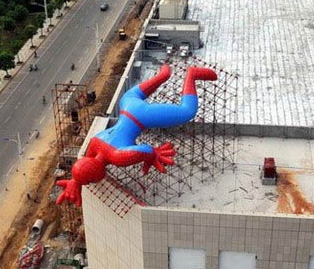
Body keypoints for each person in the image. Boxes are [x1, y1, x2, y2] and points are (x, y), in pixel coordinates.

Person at [56, 64, 217, 206]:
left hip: (142, 116)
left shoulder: (117, 156)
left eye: (91, 181)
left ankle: (192, 75)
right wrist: (76, 181)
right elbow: (85, 164)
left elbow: (145, 150)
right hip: (126, 104)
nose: (91, 182)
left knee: (187, 112)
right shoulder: (95, 143)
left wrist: (154, 155)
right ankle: (162, 76)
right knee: (142, 90)